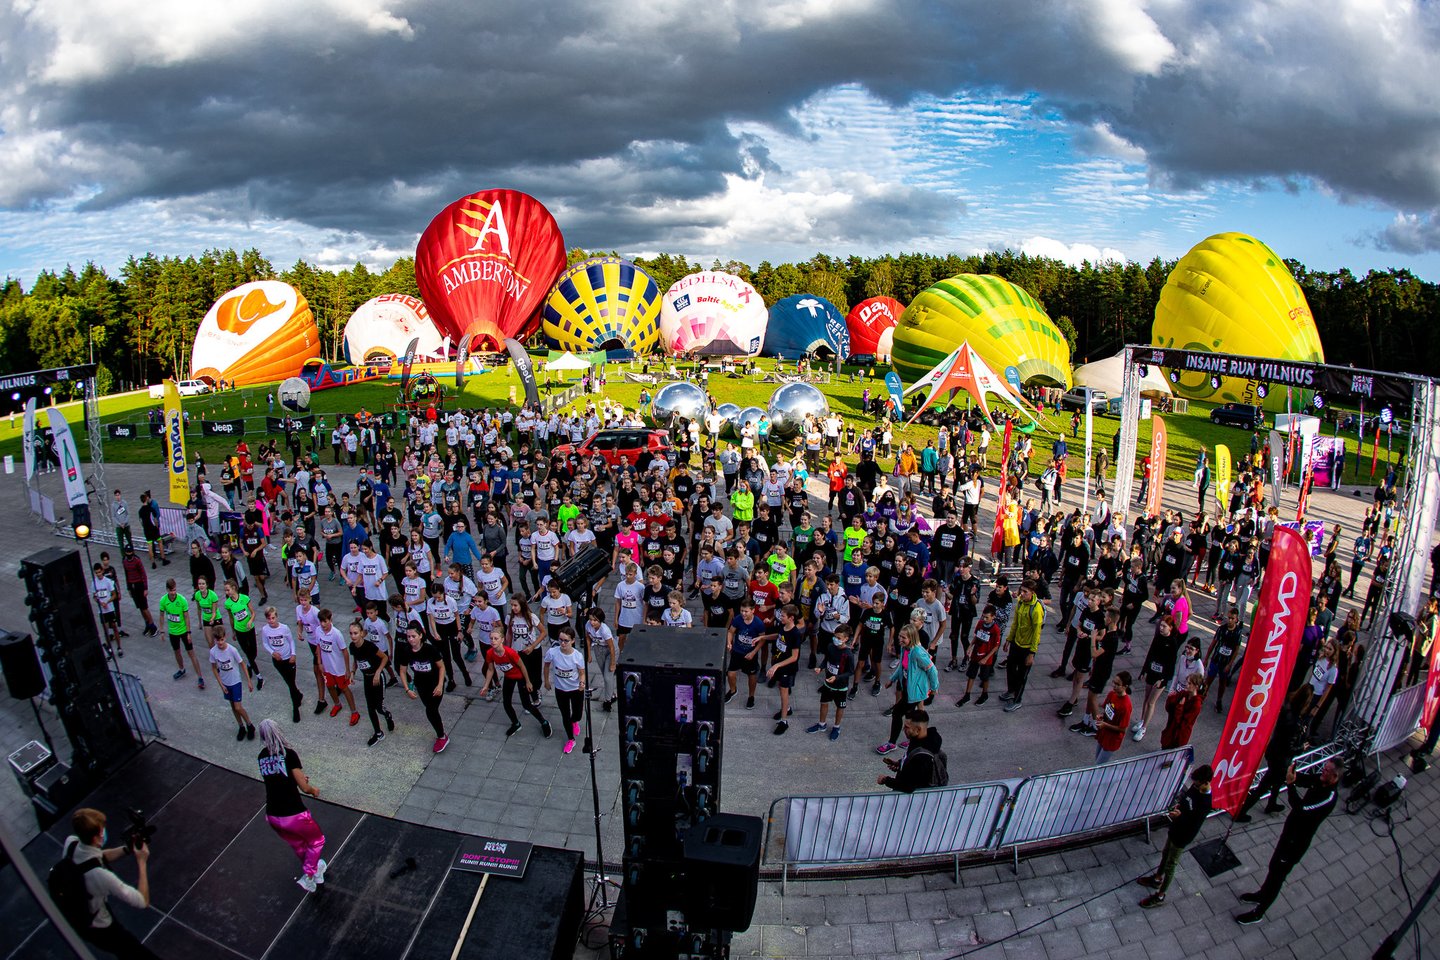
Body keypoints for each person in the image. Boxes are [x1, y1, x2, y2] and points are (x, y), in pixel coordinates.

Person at [1235, 760, 1340, 924]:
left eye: (1326, 771)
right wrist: (1293, 774)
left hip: (1296, 844)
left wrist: (1290, 785)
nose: (1322, 772)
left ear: (1335, 776)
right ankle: (1261, 894)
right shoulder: (1320, 780)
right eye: (1324, 768)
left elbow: (1300, 808)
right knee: (1273, 867)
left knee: (1277, 877)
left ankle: (1259, 912)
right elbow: (1305, 779)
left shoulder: (1328, 798)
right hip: (1288, 834)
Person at [61, 807, 156, 959]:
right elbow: (142, 901)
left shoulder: (71, 843)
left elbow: (98, 857)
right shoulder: (101, 876)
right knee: (135, 953)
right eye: (102, 830)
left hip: (82, 912)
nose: (104, 832)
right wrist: (142, 862)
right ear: (96, 838)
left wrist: (127, 849)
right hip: (101, 927)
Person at [257, 719, 328, 893]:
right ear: (279, 732)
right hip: (293, 813)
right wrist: (313, 790)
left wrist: (297, 780)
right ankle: (309, 875)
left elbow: (277, 779)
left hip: (273, 814)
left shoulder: (261, 757)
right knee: (318, 841)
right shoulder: (288, 754)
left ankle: (316, 871)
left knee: (299, 845)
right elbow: (303, 787)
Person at [1137, 764, 1213, 908]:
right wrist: (1178, 808)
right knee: (1165, 854)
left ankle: (1160, 895)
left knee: (1172, 864)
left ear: (1205, 782)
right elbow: (1185, 801)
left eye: (1196, 782)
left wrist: (1180, 816)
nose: (1194, 784)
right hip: (1176, 827)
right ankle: (1157, 878)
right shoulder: (1195, 788)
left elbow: (1194, 823)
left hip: (1184, 835)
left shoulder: (1204, 802)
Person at [395, 623, 450, 753]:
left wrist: (440, 685)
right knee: (430, 709)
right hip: (421, 686)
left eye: (413, 636)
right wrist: (407, 688)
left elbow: (442, 667)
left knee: (431, 710)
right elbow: (402, 670)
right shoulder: (406, 650)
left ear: (420, 635)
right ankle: (441, 733)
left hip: (435, 684)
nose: (410, 639)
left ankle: (442, 737)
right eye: (408, 636)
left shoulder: (430, 649)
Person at [1000, 580, 1044, 712]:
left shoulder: (1036, 609)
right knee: (1011, 669)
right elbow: (1015, 623)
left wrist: (1032, 653)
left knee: (1021, 676)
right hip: (1016, 643)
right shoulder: (1020, 603)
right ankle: (1011, 691)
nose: (1022, 594)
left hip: (1027, 647)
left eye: (1025, 592)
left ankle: (1017, 700)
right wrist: (1009, 639)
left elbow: (1037, 633)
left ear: (1032, 593)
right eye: (1021, 590)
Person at [876, 709, 945, 793]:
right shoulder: (920, 739)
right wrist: (900, 764)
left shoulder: (921, 758)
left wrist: (885, 780)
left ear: (918, 730)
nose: (903, 729)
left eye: (907, 727)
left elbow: (908, 786)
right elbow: (912, 766)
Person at [348, 619, 394, 746]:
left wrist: (378, 672)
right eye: (351, 633)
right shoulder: (352, 646)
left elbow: (384, 658)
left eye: (356, 633)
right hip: (367, 679)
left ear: (362, 633)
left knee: (379, 707)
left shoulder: (369, 646)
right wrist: (352, 672)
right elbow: (356, 660)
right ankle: (378, 733)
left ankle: (387, 715)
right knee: (370, 707)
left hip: (378, 678)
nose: (353, 636)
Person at [543, 627, 587, 754]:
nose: (562, 643)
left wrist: (582, 683)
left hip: (575, 689)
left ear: (573, 641)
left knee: (578, 713)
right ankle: (570, 739)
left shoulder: (577, 656)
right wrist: (546, 681)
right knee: (565, 714)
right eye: (561, 640)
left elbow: (582, 672)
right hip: (561, 689)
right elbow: (546, 665)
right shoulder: (553, 652)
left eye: (566, 641)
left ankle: (575, 721)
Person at [806, 624, 854, 741]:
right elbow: (826, 660)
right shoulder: (831, 647)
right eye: (835, 637)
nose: (836, 639)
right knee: (824, 703)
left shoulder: (848, 654)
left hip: (841, 687)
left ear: (845, 639)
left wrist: (837, 678)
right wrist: (820, 668)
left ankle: (836, 727)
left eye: (839, 638)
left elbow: (850, 672)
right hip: (828, 683)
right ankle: (821, 724)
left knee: (840, 707)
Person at [208, 625, 256, 741]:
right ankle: (241, 726)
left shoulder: (232, 650)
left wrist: (249, 681)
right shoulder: (213, 652)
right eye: (217, 640)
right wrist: (221, 684)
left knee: (238, 707)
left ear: (225, 637)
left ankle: (250, 725)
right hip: (225, 683)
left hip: (235, 681)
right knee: (233, 707)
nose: (220, 643)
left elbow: (242, 664)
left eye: (221, 640)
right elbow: (214, 668)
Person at [1094, 672, 1133, 764]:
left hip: (1112, 739)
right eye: (1113, 682)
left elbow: (1123, 729)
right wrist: (1102, 716)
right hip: (1104, 733)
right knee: (1097, 761)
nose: (1114, 686)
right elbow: (1108, 711)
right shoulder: (1112, 694)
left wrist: (1105, 725)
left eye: (1117, 684)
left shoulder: (1126, 706)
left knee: (1099, 765)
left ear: (1125, 686)